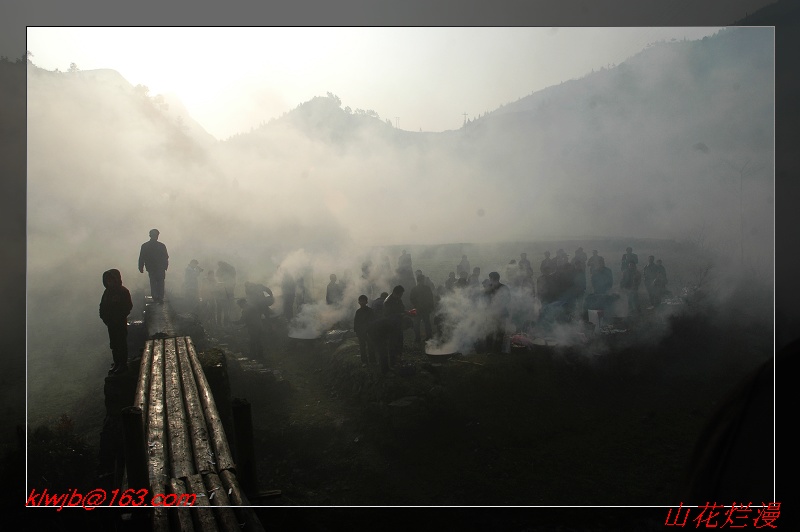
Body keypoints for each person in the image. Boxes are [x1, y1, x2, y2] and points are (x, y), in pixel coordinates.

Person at [99, 269, 133, 375]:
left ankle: (122, 364)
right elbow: (102, 306)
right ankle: (116, 363)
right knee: (114, 344)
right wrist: (104, 318)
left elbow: (128, 306)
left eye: (111, 280)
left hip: (120, 322)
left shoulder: (123, 291)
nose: (109, 282)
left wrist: (120, 316)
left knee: (121, 343)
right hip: (111, 323)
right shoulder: (107, 292)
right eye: (107, 281)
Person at [138, 229, 169, 303]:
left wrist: (141, 267)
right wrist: (165, 266)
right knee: (160, 283)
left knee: (153, 283)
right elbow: (166, 257)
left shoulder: (145, 246)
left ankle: (156, 297)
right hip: (159, 268)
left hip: (152, 268)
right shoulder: (161, 245)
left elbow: (142, 257)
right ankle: (159, 297)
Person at [484, 272, 511, 354]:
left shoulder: (504, 288)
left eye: (491, 278)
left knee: (499, 333)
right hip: (490, 314)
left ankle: (497, 351)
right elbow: (485, 300)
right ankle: (490, 351)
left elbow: (507, 300)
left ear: (494, 279)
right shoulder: (489, 288)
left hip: (501, 314)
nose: (490, 280)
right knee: (489, 333)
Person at [383, 285, 407, 367]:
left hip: (398, 324)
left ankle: (399, 358)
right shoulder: (388, 302)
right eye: (400, 295)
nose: (401, 296)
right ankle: (393, 362)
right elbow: (388, 315)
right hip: (391, 326)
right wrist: (400, 314)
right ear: (395, 293)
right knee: (393, 344)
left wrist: (407, 312)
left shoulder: (398, 299)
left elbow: (402, 308)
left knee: (400, 342)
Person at [410, 273, 435, 345]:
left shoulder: (426, 288)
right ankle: (418, 338)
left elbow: (430, 298)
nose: (422, 281)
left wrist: (431, 306)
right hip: (419, 309)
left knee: (426, 323)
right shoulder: (416, 289)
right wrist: (417, 305)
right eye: (422, 280)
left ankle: (427, 337)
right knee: (417, 324)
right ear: (419, 281)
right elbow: (412, 299)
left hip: (424, 309)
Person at [353, 295, 376, 366]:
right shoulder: (358, 312)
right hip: (361, 332)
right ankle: (364, 361)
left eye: (363, 301)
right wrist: (356, 331)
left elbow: (373, 321)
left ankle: (372, 361)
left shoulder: (370, 311)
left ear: (366, 302)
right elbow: (356, 322)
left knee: (371, 346)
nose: (362, 302)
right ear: (359, 302)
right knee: (362, 346)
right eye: (361, 301)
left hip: (369, 331)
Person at [216, 261, 237, 325]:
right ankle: (226, 321)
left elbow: (217, 276)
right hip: (226, 291)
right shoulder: (230, 268)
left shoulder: (224, 269)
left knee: (223, 308)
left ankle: (224, 322)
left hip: (225, 291)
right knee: (227, 307)